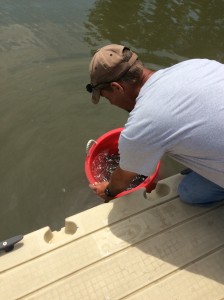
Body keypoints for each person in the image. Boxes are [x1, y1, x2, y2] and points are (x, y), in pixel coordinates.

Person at [86, 44, 224, 204]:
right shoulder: (196, 65)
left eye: (108, 98)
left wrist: (108, 191)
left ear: (117, 88)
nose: (111, 103)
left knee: (189, 192)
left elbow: (123, 180)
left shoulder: (143, 123)